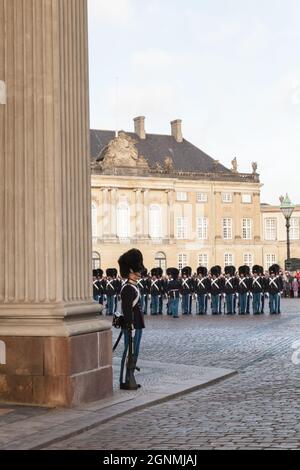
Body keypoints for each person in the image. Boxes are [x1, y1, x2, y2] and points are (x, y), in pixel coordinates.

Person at [118, 249, 145, 390]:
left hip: (137, 323)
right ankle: (124, 379)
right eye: (137, 270)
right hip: (132, 324)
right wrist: (131, 325)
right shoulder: (128, 288)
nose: (139, 273)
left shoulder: (134, 286)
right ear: (130, 270)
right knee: (128, 350)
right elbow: (127, 309)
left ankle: (131, 377)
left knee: (135, 351)